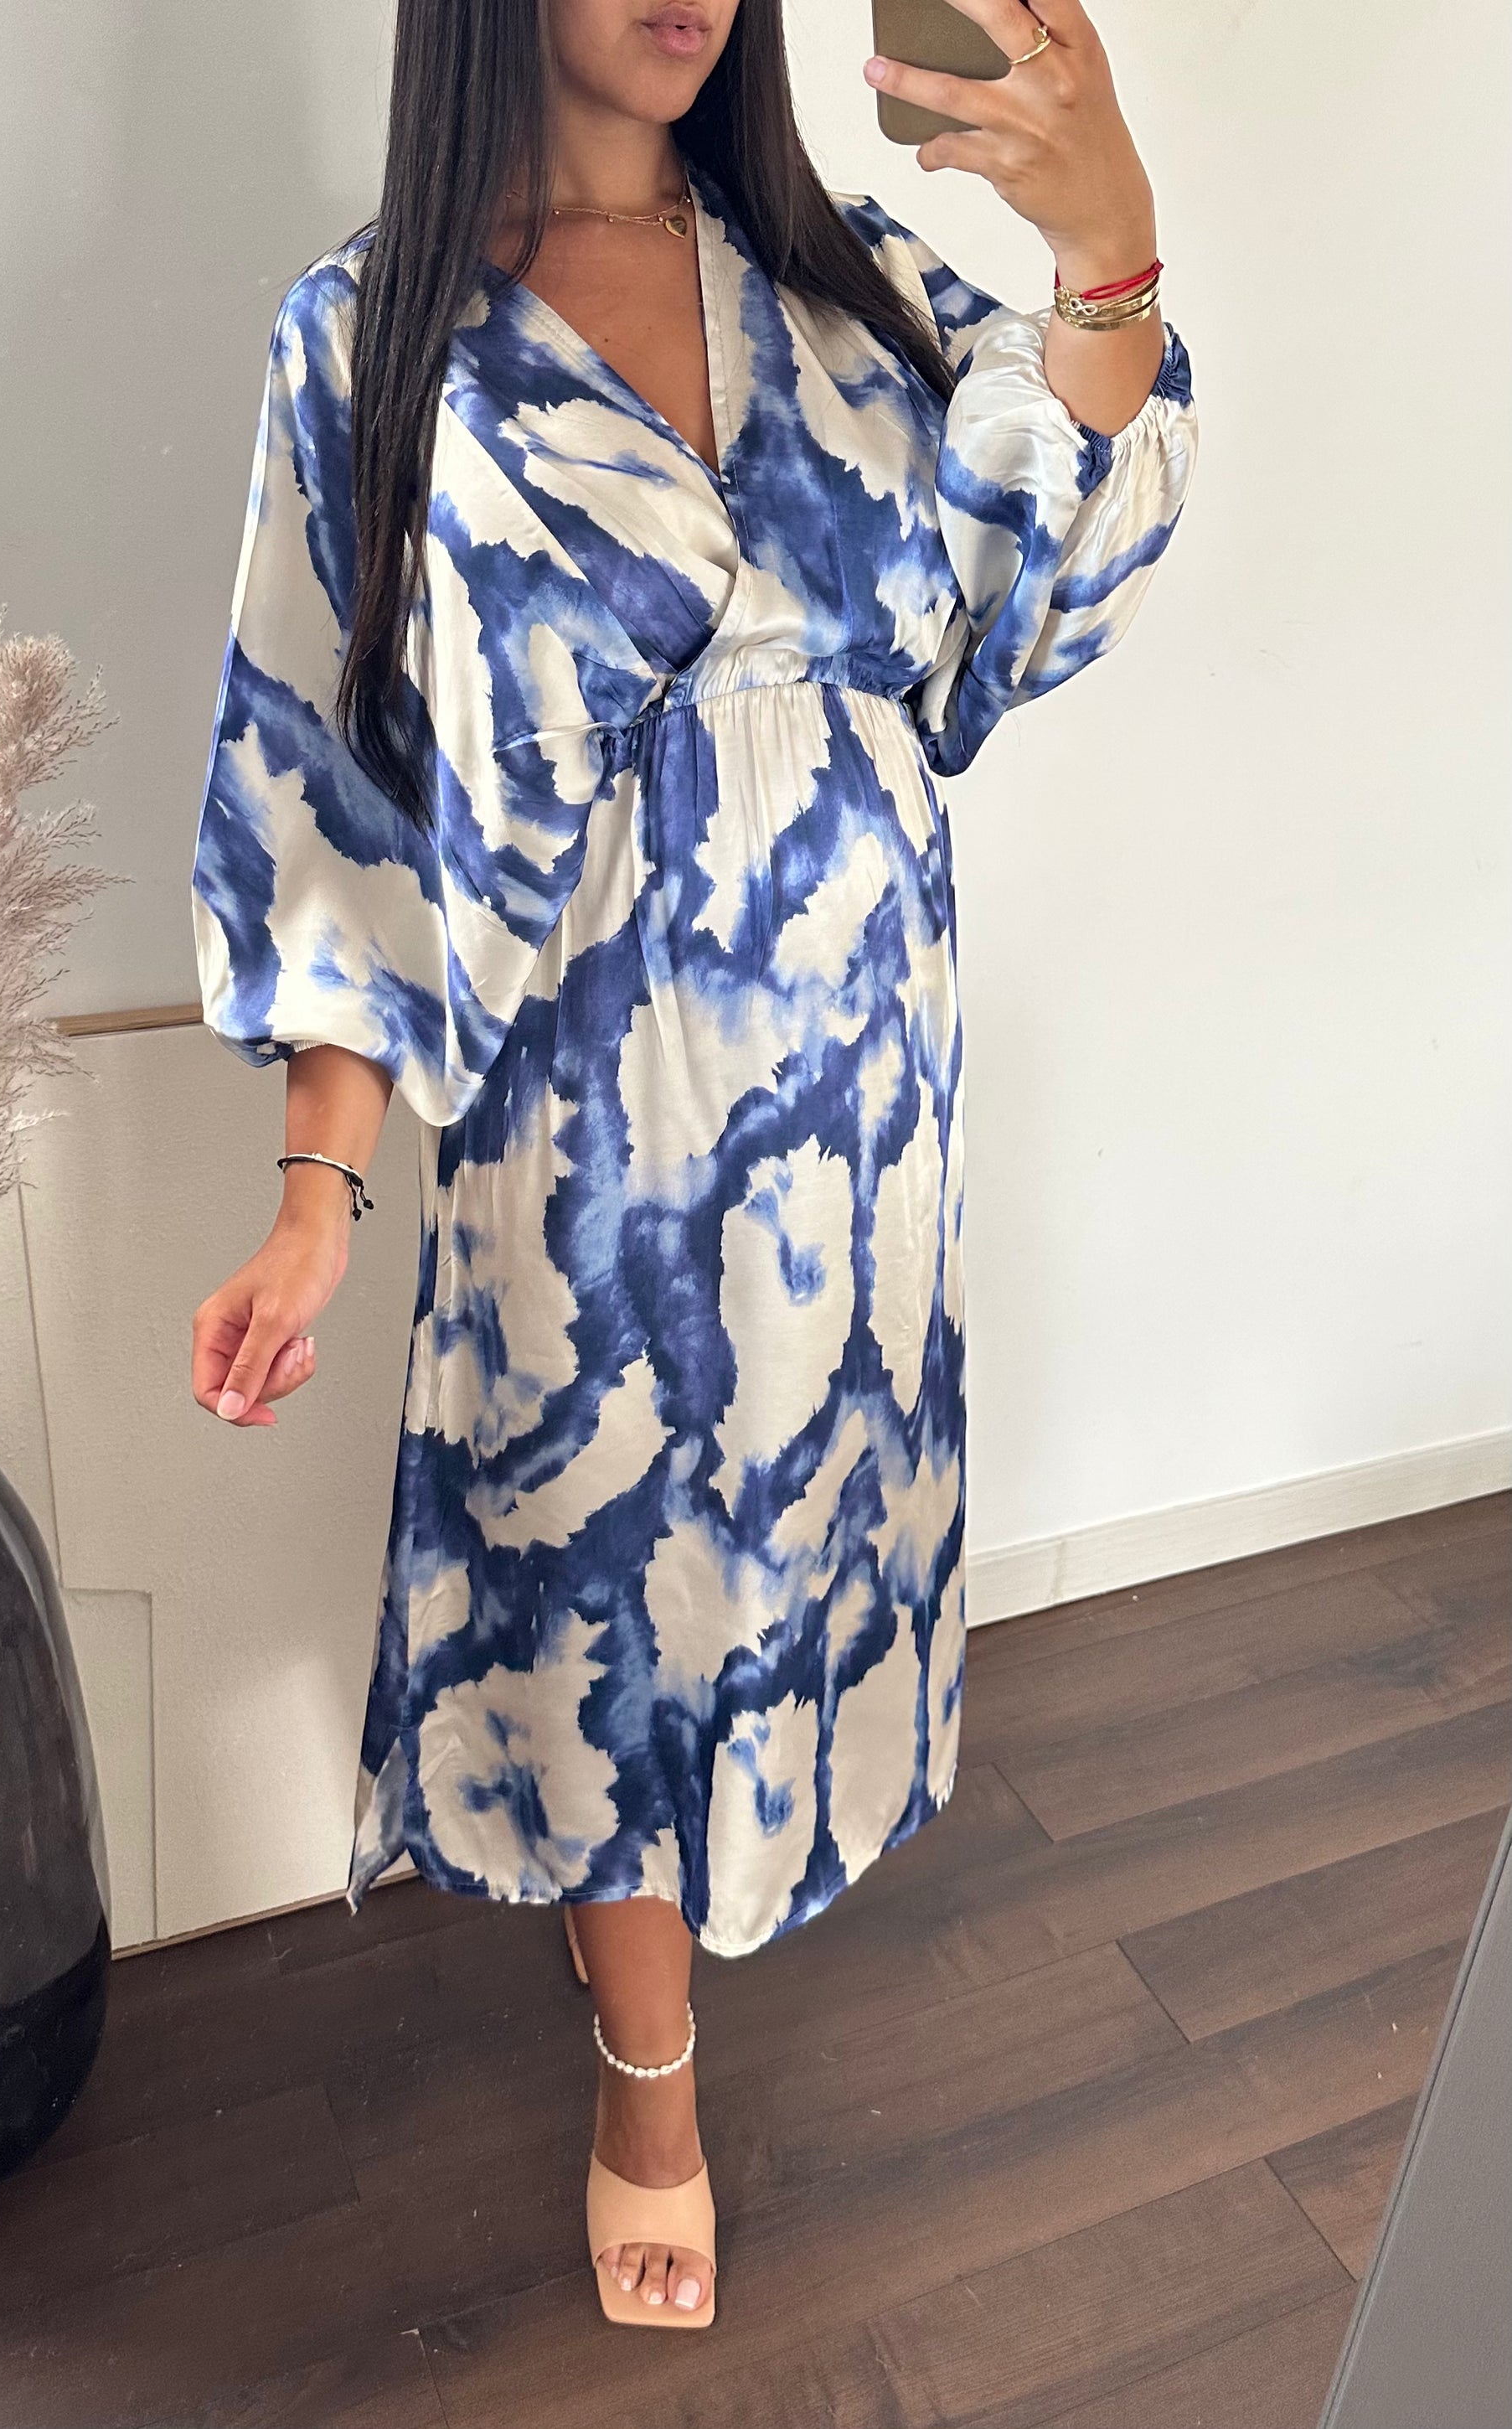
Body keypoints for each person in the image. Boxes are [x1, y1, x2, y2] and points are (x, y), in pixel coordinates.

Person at [189, 0, 1197, 2333]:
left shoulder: (848, 287)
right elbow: (329, 791)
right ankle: (649, 2082)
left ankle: (681, 1902)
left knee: (793, 1576)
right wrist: (317, 1194)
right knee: (604, 1612)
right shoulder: (368, 345)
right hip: (585, 1143)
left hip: (860, 1122)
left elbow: (1030, 583)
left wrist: (1111, 249)